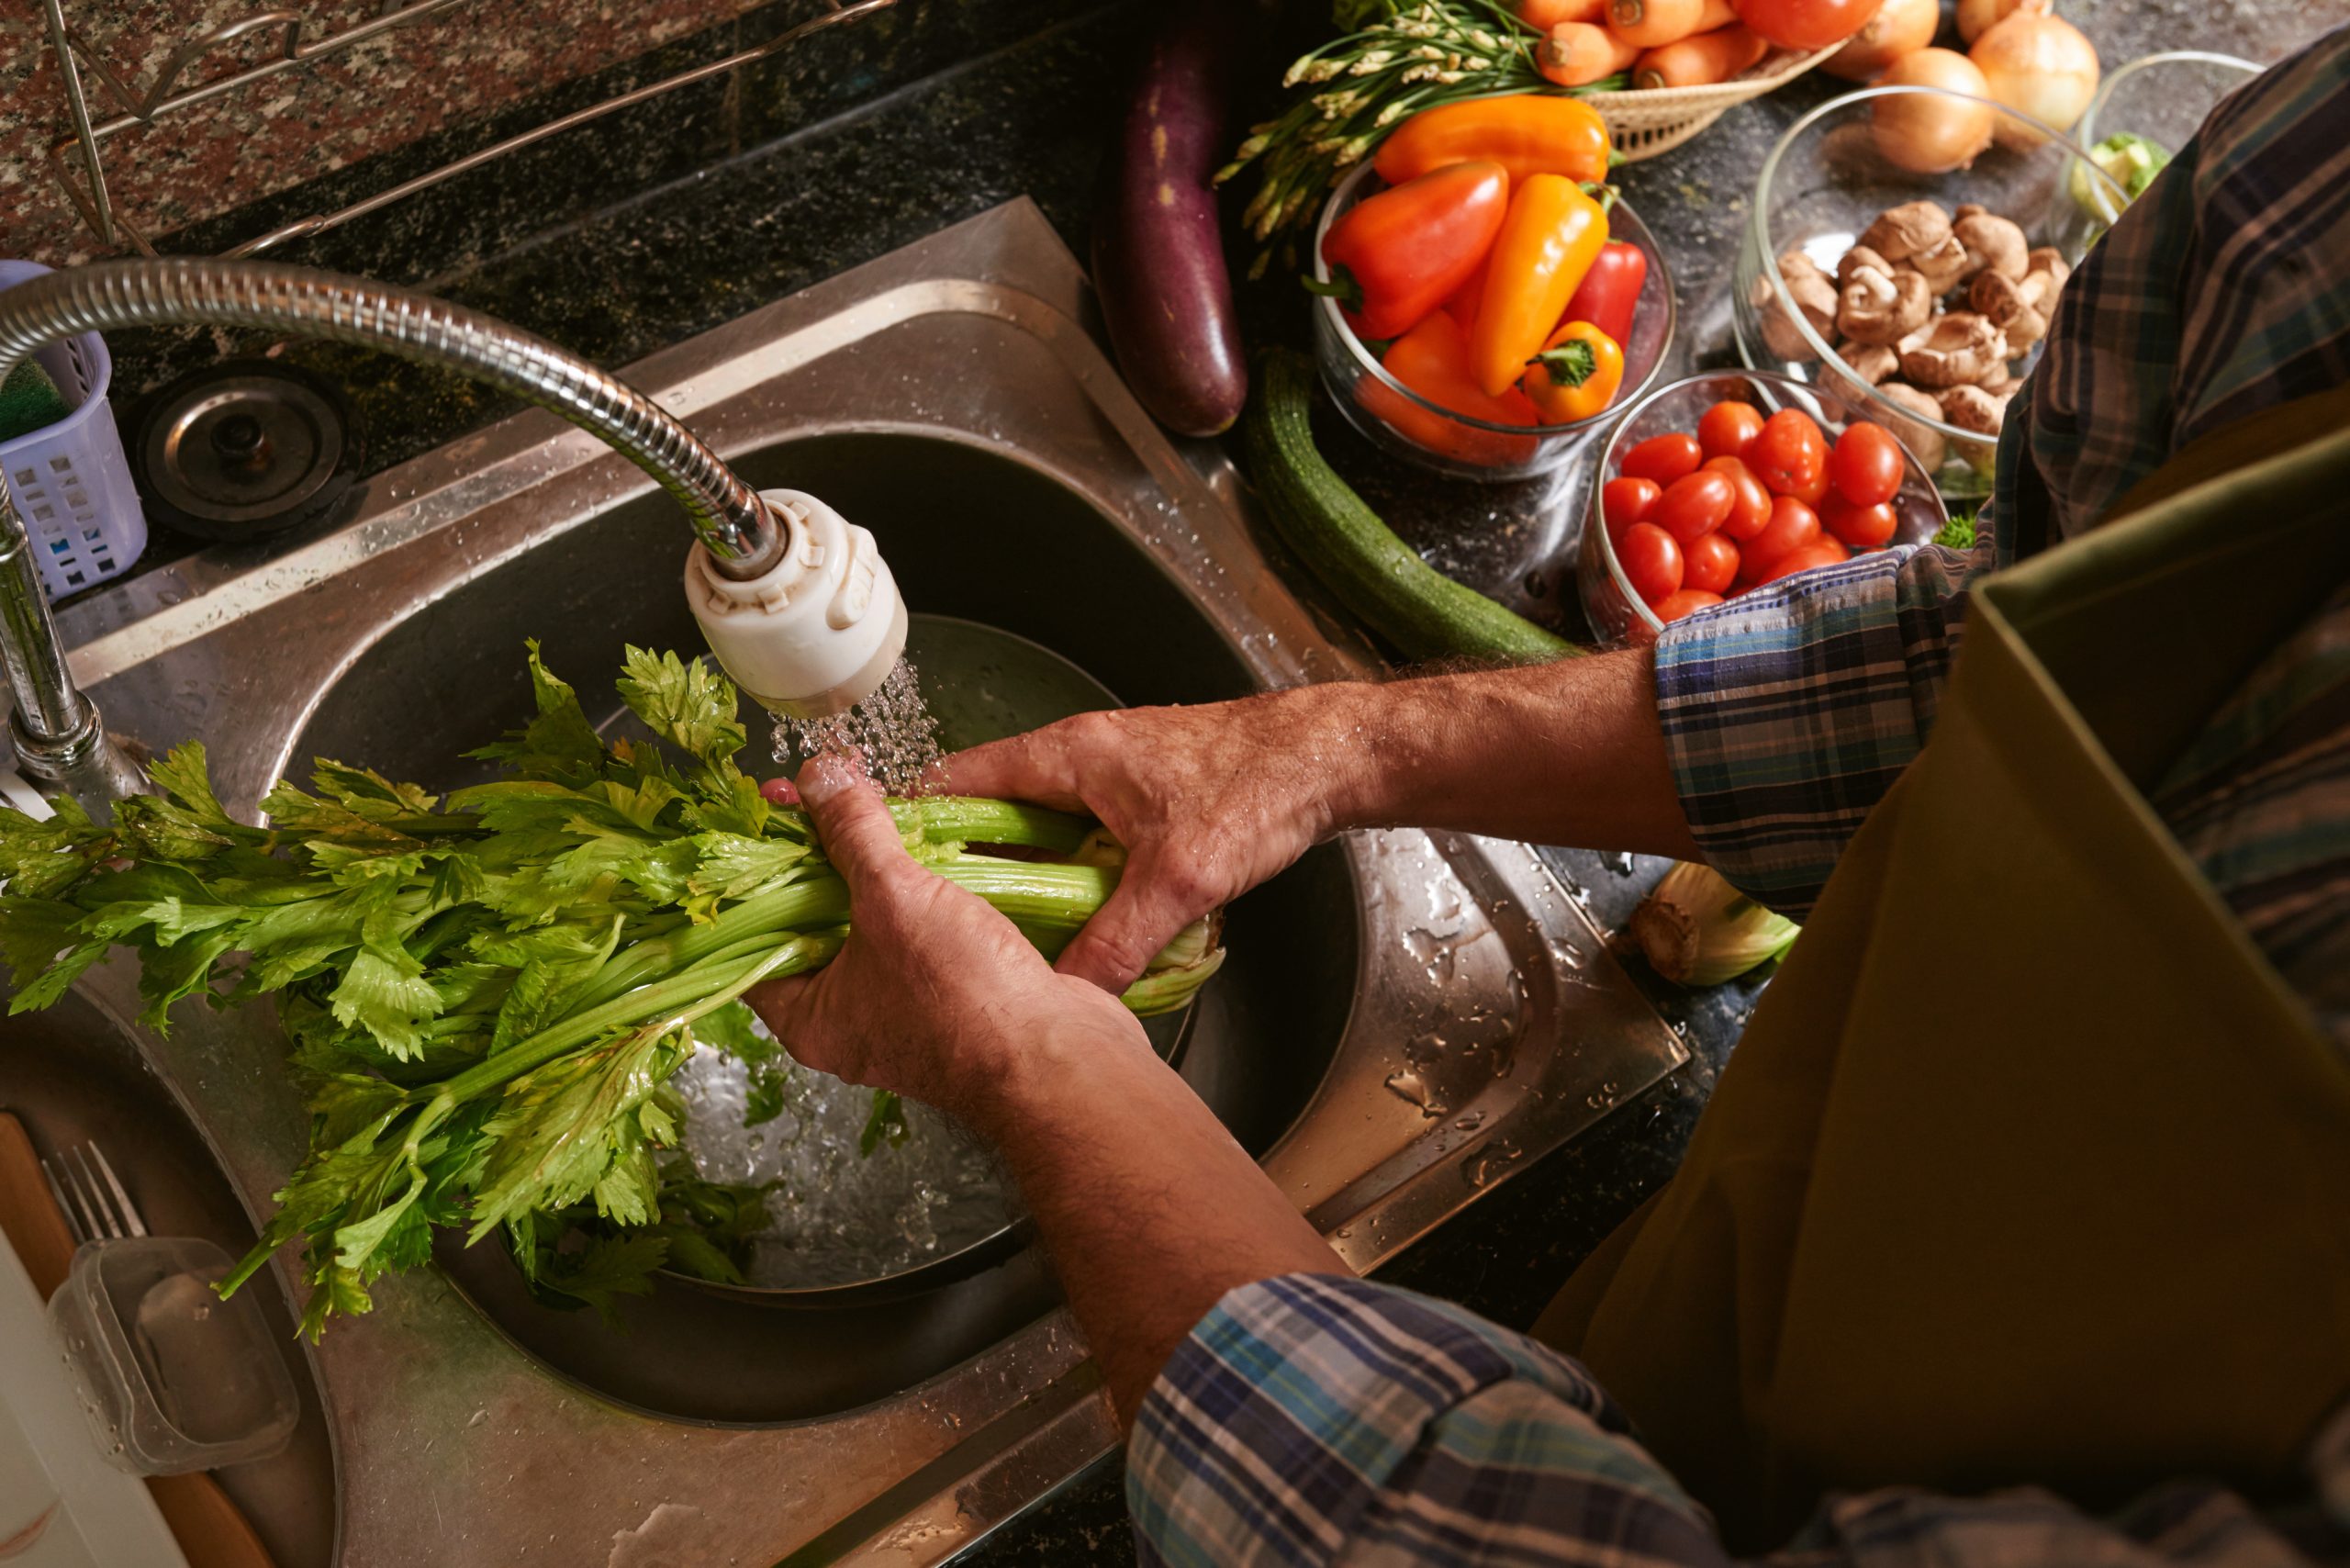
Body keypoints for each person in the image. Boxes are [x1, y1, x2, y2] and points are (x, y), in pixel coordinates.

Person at [749, 26, 2350, 1566]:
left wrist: (1032, 1061)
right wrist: (1330, 747)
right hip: (1758, 1260)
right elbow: (2002, 646)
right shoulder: (2320, 180)